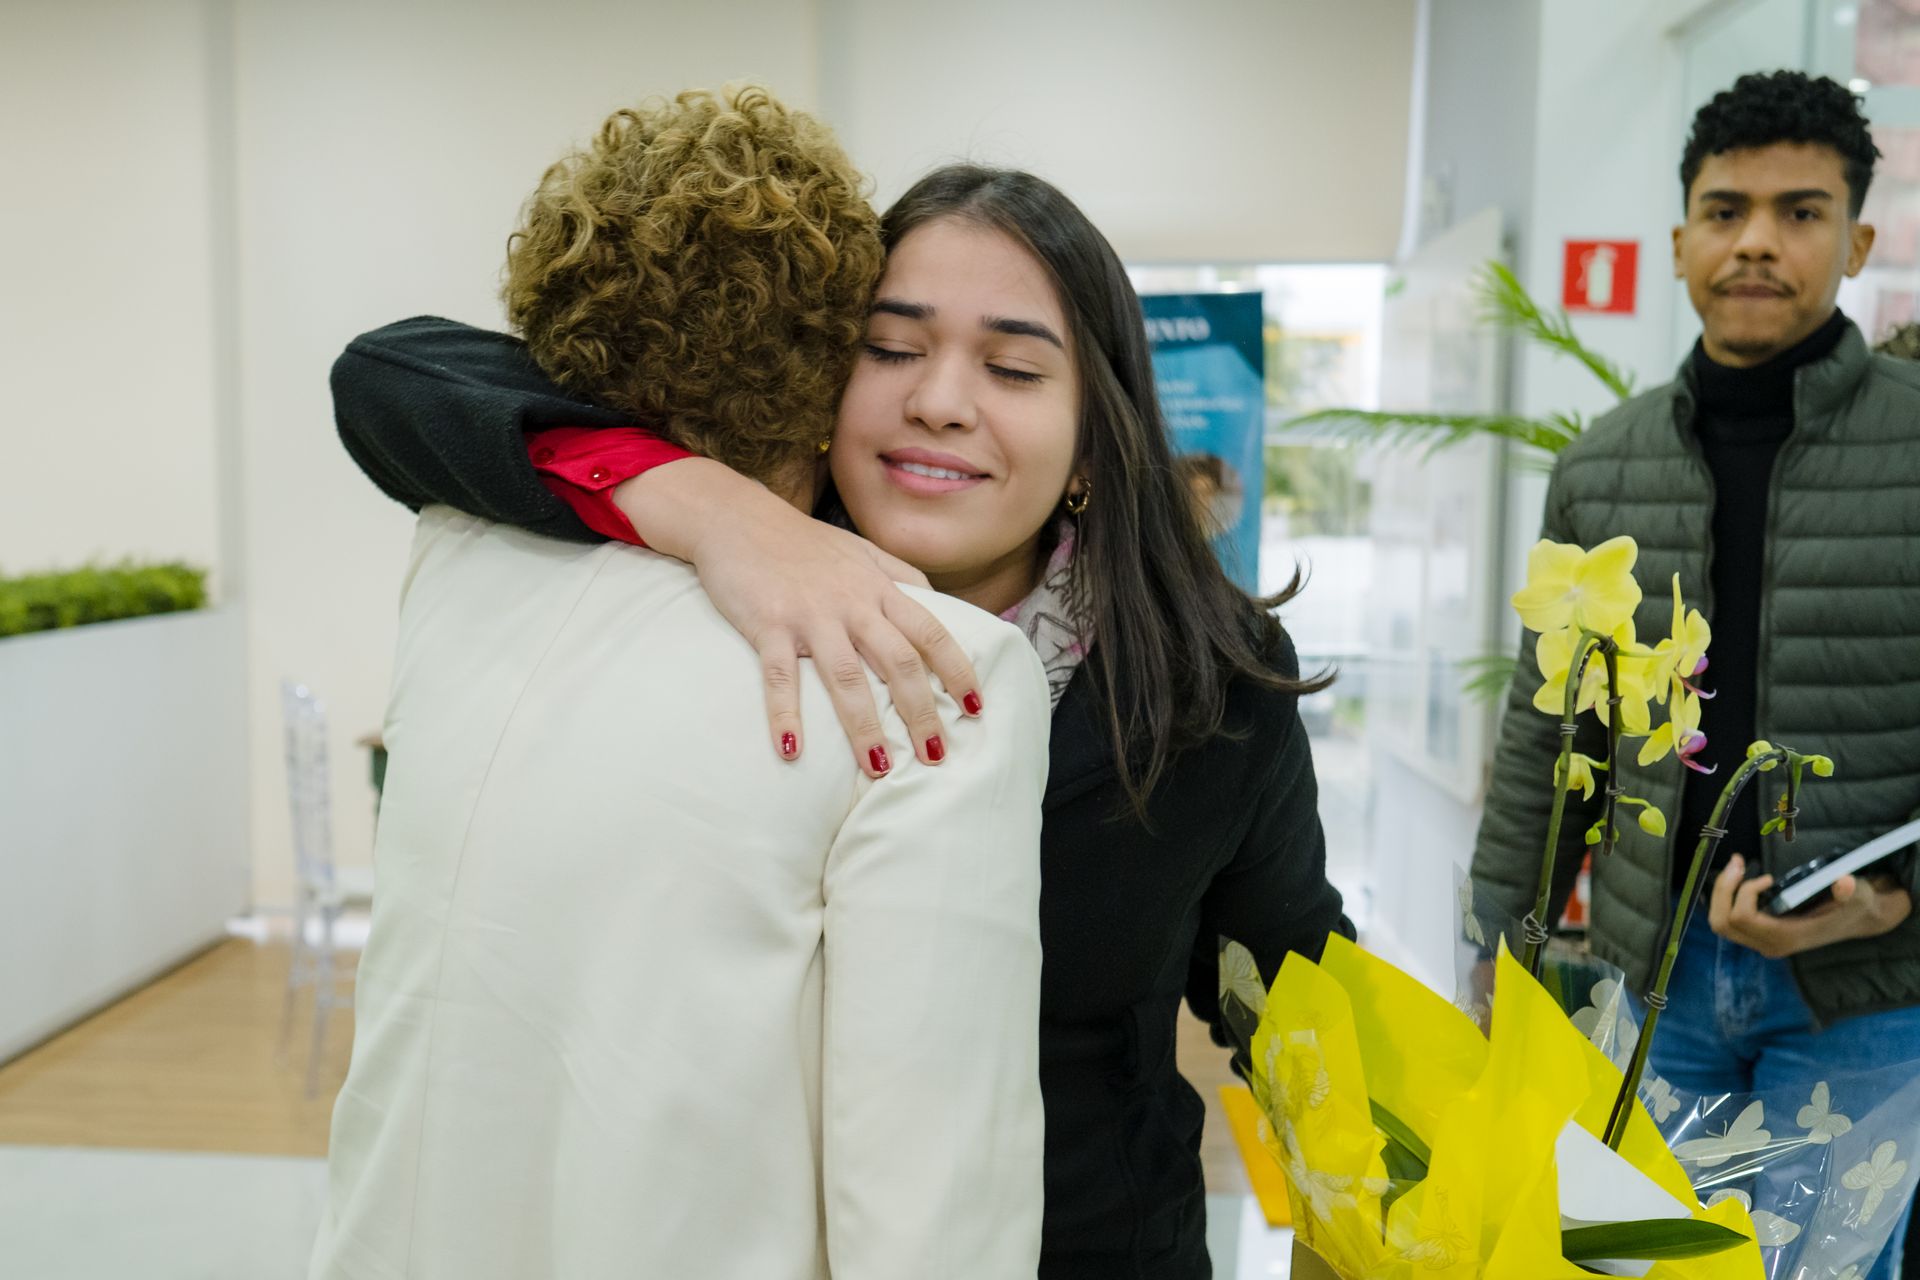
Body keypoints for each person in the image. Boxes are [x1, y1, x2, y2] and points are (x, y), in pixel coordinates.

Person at [331, 158, 1352, 1276]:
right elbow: (395, 373)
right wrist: (707, 509)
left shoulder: (1208, 679)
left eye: (1012, 367)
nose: (940, 399)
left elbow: (1301, 989)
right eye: (892, 348)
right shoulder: (721, 595)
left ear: (1092, 446)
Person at [310, 89, 1053, 1280]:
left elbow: (405, 367)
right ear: (830, 370)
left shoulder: (456, 550)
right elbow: (930, 1208)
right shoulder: (933, 671)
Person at [1471, 70, 1920, 1279]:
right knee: (1634, 1267)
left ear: (1857, 237)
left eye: (1801, 210)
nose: (1758, 241)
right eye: (1726, 211)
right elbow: (1545, 732)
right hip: (1650, 981)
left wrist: (1900, 903)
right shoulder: (1604, 468)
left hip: (1866, 990)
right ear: (1679, 242)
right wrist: (1494, 949)